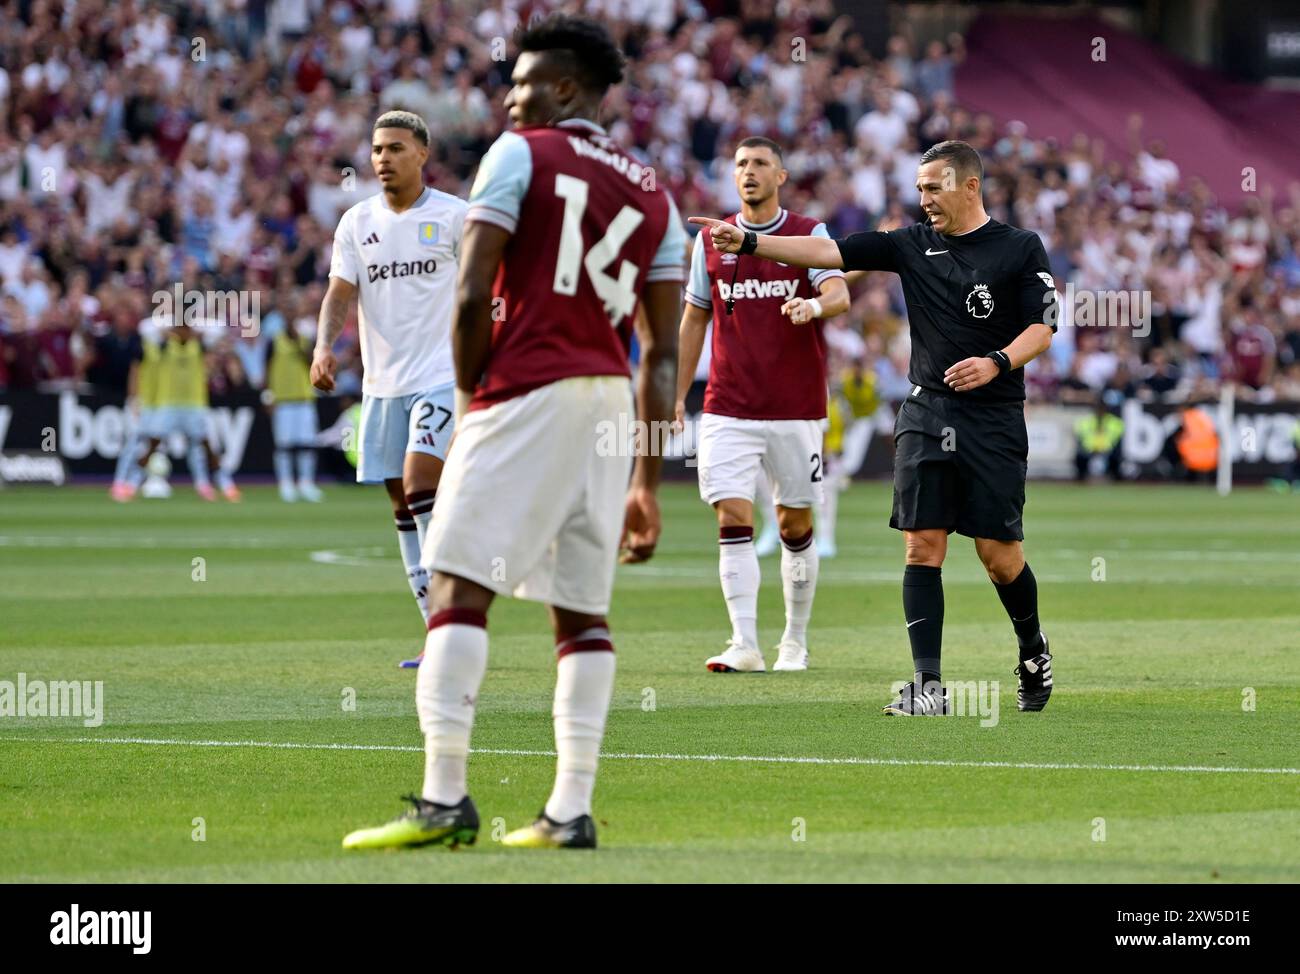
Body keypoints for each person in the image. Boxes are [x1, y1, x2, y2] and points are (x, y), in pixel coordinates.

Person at [342, 14, 685, 852]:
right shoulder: (654, 191)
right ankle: (570, 809)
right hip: (606, 405)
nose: (511, 96)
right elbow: (664, 357)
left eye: (524, 82)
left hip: (524, 391)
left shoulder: (519, 154)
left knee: (456, 584)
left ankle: (444, 795)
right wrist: (645, 478)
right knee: (582, 613)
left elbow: (470, 293)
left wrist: (468, 401)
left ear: (565, 87)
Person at [690, 139, 1058, 715]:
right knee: (921, 546)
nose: (924, 199)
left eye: (934, 187)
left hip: (994, 417)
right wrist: (754, 242)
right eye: (919, 189)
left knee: (998, 555)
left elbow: (1043, 327)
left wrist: (997, 363)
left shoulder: (1018, 248)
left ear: (969, 186)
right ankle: (928, 686)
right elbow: (827, 252)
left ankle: (1032, 649)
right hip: (924, 412)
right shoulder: (910, 244)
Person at [675, 136, 850, 673]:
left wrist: (814, 306)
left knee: (795, 524)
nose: (748, 172)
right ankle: (743, 643)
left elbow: (840, 295)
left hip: (795, 407)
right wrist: (677, 396)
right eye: (741, 164)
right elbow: (694, 319)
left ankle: (794, 641)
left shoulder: (808, 233)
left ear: (781, 176)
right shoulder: (710, 242)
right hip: (727, 404)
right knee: (732, 513)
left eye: (760, 164)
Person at [311, 110, 466, 668]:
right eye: (377, 149)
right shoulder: (356, 223)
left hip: (443, 376)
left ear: (422, 154)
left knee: (421, 479)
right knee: (400, 500)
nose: (383, 158)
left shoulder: (455, 218)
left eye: (396, 148)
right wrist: (323, 346)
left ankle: (452, 626)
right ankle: (436, 630)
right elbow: (338, 293)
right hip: (383, 383)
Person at [265, 316, 322, 502]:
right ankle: (286, 483)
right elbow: (266, 367)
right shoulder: (274, 341)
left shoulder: (304, 341)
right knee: (284, 446)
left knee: (307, 444)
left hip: (304, 398)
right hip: (283, 400)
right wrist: (267, 396)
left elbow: (311, 362)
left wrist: (299, 343)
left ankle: (306, 483)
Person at [1074, 400, 1124, 481]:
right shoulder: (1087, 422)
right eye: (1098, 409)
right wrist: (1093, 449)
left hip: (1107, 451)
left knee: (1115, 457)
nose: (1099, 412)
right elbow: (1083, 439)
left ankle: (1116, 479)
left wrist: (1102, 449)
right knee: (1080, 456)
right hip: (1090, 450)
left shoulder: (1115, 422)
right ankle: (1081, 479)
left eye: (1101, 409)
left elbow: (1115, 441)